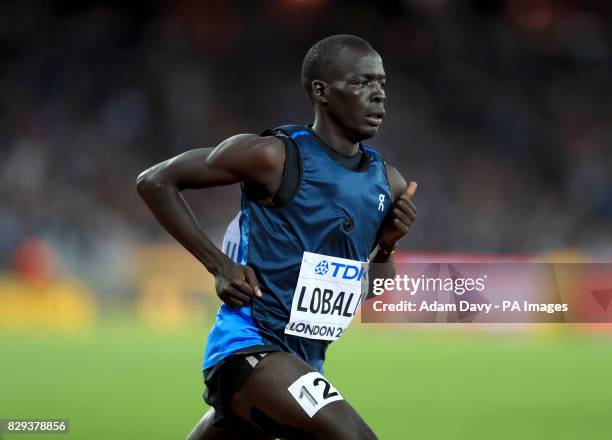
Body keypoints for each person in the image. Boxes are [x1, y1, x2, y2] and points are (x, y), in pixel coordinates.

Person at [137, 34, 417, 440]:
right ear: (320, 91)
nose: (378, 96)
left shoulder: (386, 182)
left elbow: (371, 288)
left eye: (382, 84)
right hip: (250, 349)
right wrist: (219, 265)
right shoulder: (273, 157)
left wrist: (388, 243)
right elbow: (155, 182)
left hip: (302, 363)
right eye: (362, 82)